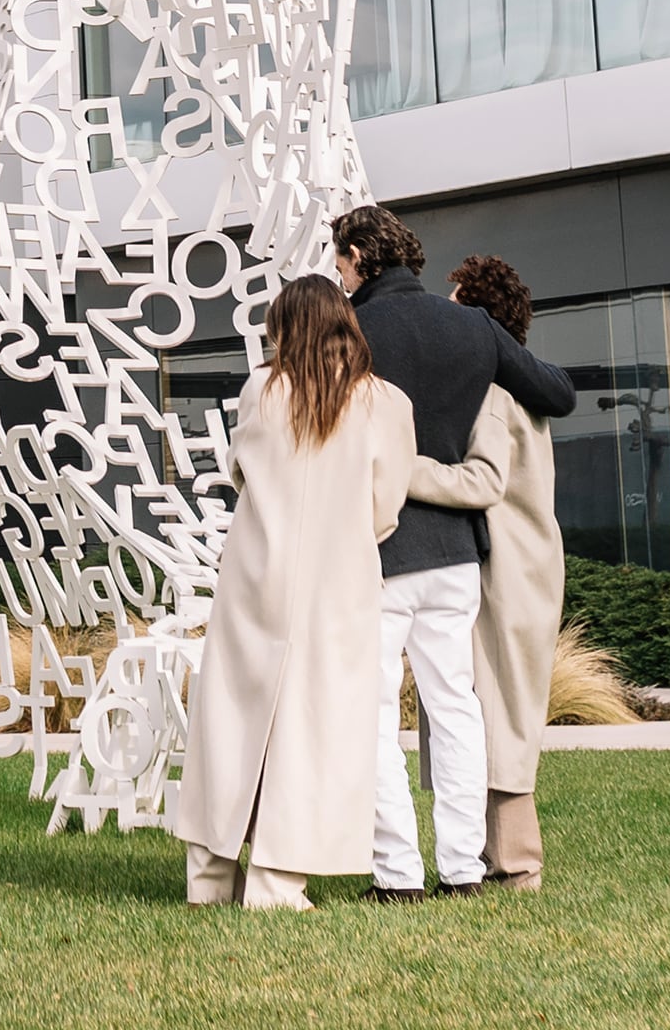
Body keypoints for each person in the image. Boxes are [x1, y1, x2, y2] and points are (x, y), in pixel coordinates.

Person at [334, 203, 574, 902]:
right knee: (458, 710)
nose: (338, 275)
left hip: (377, 549)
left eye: (339, 261)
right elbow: (556, 392)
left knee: (376, 715)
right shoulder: (472, 327)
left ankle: (398, 876)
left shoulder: (350, 329)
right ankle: (463, 871)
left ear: (357, 255)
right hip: (457, 557)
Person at [174, 272, 415, 911]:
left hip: (255, 576)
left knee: (230, 723)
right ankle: (279, 882)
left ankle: (210, 879)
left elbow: (237, 470)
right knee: (315, 729)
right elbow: (386, 506)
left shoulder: (261, 390)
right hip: (339, 585)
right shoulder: (385, 403)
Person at [407, 251, 560, 890]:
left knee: (488, 709)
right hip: (528, 566)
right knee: (499, 709)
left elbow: (482, 482)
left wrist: (398, 468)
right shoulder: (524, 392)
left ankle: (516, 864)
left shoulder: (493, 395)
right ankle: (503, 861)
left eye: (455, 303)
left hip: (502, 571)